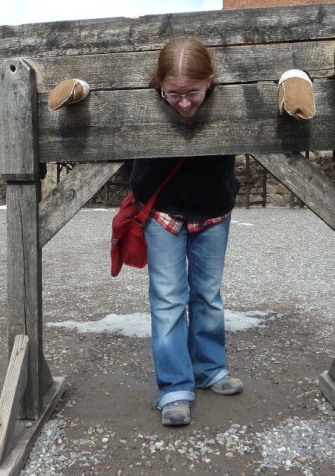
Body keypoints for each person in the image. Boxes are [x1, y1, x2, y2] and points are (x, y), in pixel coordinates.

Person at [129, 37, 243, 427]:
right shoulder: (144, 104)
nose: (182, 103)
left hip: (213, 209)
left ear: (211, 82)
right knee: (168, 300)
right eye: (172, 93)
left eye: (193, 92)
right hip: (162, 213)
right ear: (157, 86)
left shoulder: (227, 100)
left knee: (208, 296)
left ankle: (209, 369)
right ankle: (175, 386)